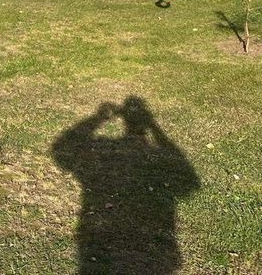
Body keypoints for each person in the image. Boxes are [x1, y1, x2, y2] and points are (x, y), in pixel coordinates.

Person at [52, 96, 200, 274]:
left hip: (100, 237)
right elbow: (189, 183)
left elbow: (62, 150)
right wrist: (153, 126)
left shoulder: (100, 155)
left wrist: (98, 118)